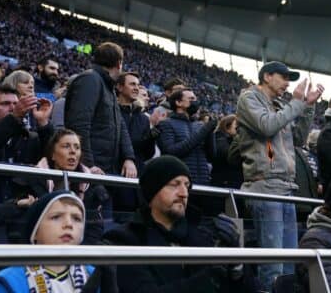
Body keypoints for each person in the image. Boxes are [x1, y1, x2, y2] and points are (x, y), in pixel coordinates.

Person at [103, 155, 259, 293]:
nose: (184, 193)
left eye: (187, 185)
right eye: (174, 184)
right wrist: (211, 277)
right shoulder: (125, 240)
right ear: (153, 190)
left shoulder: (205, 236)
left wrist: (237, 264)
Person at [235, 61, 322, 290]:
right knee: (272, 264)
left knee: (289, 264)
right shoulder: (249, 98)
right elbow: (267, 126)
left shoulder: (279, 105)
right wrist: (296, 103)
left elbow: (299, 138)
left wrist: (308, 106)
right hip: (264, 186)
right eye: (283, 78)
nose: (286, 84)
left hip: (286, 188)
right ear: (266, 76)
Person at [12, 129, 108, 244]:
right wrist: (18, 205)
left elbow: (95, 229)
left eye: (77, 147)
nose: (73, 151)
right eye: (66, 146)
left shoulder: (91, 186)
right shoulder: (32, 180)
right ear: (52, 154)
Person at [0, 191, 96, 293]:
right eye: (56, 217)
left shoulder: (94, 275)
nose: (69, 224)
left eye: (76, 219)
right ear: (34, 231)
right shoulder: (10, 281)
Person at [65, 42, 136, 178]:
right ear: (118, 63)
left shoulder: (108, 87)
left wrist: (129, 157)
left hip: (106, 168)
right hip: (91, 170)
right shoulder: (90, 80)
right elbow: (79, 125)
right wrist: (88, 165)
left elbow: (120, 125)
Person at [0, 85, 52, 203]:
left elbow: (54, 158)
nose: (12, 108)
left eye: (16, 104)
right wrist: (13, 117)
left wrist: (43, 123)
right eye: (5, 104)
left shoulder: (30, 138)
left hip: (22, 211)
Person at [156, 88, 216, 185]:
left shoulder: (199, 125)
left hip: (203, 182)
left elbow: (211, 156)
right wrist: (204, 131)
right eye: (191, 99)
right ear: (178, 102)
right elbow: (171, 152)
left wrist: (210, 133)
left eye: (195, 99)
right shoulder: (166, 124)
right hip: (179, 182)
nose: (195, 102)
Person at [211, 114, 242, 189]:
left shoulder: (231, 139)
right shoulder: (219, 138)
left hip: (230, 182)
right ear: (227, 127)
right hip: (223, 183)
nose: (238, 128)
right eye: (236, 125)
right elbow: (228, 154)